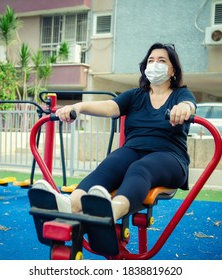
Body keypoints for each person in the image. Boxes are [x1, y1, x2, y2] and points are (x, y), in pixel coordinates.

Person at [33, 42, 196, 222]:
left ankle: (113, 210)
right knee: (111, 164)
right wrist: (78, 106)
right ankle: (70, 203)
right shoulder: (136, 95)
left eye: (161, 60)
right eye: (151, 60)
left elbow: (189, 105)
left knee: (140, 168)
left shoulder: (180, 94)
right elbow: (110, 107)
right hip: (134, 150)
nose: (154, 64)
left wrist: (183, 109)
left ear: (173, 70)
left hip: (169, 156)